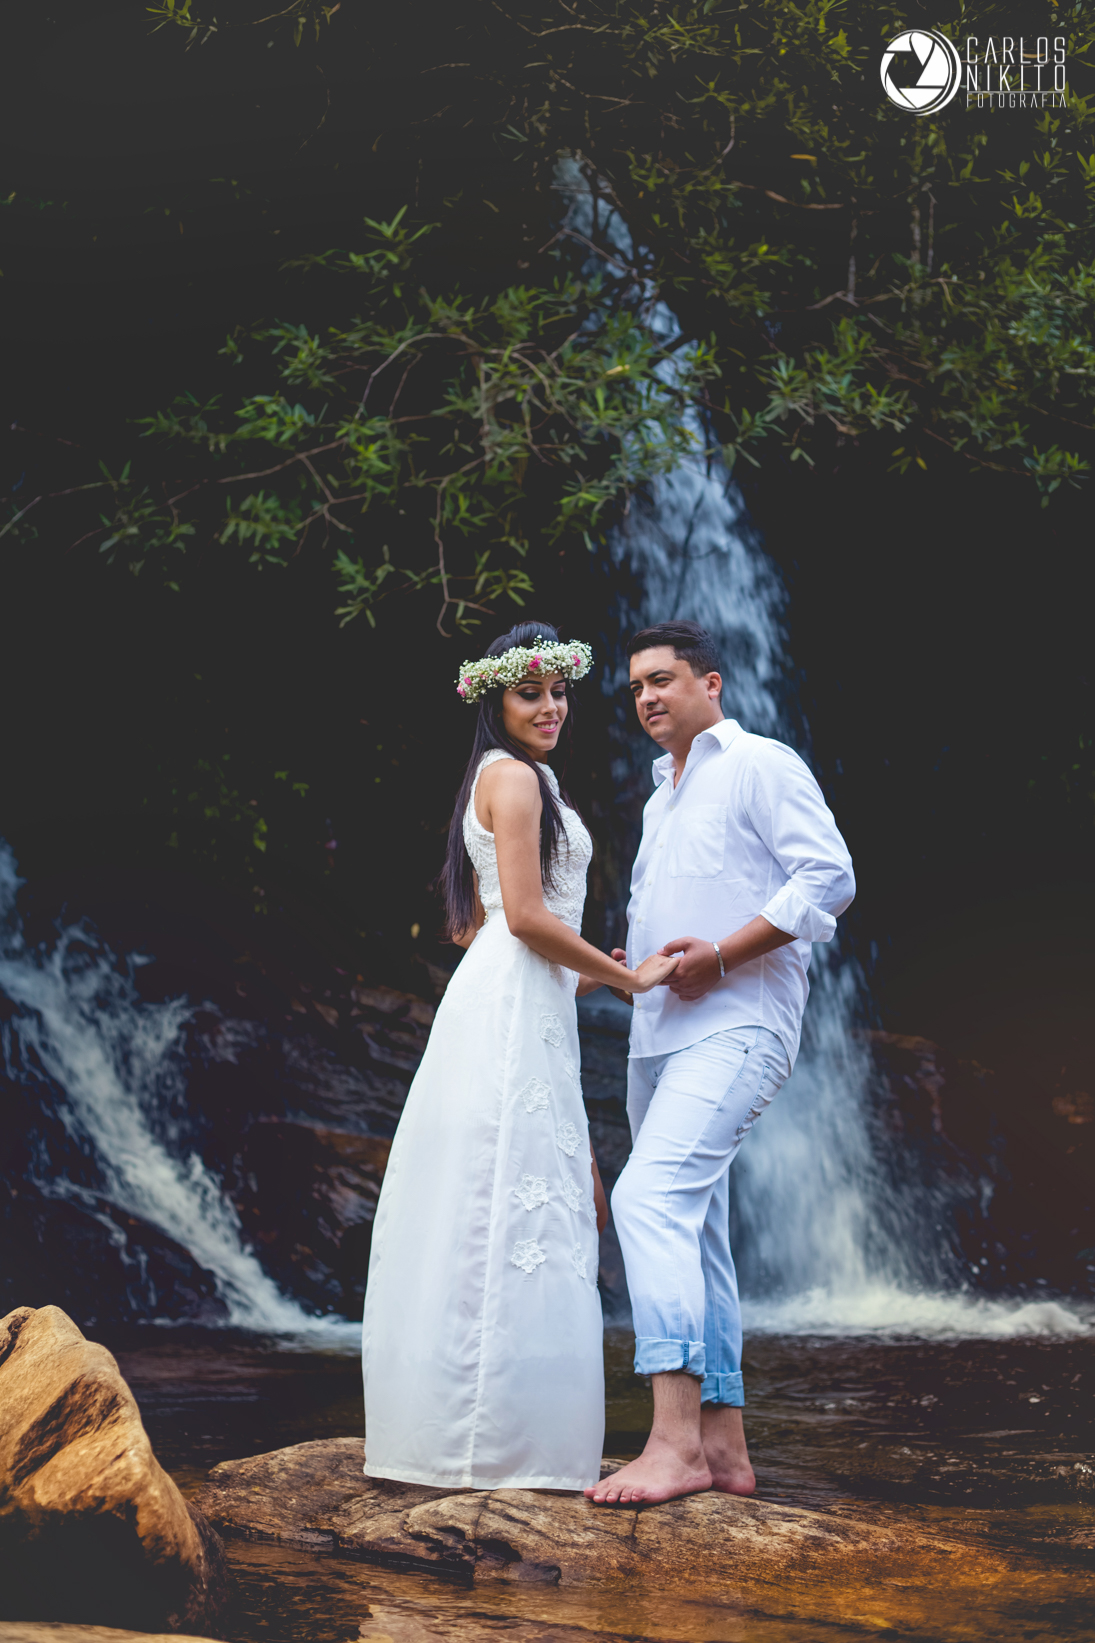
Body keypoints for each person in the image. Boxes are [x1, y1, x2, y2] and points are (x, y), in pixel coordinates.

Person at [362, 620, 679, 1491]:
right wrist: (627, 977)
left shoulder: (523, 777)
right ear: (495, 702)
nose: (549, 708)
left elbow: (524, 939)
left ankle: (500, 1435)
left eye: (558, 692)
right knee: (501, 1203)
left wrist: (597, 977)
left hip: (527, 999)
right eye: (529, 693)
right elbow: (530, 918)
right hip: (510, 1003)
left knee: (524, 1201)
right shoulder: (510, 777)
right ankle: (481, 1442)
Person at [586, 620, 855, 1507]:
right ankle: (723, 1447)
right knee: (694, 1231)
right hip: (656, 1036)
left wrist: (723, 956)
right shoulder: (659, 799)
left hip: (738, 1024)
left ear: (712, 684)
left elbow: (827, 877)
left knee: (647, 1197)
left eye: (662, 679)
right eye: (634, 688)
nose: (647, 698)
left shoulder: (760, 763)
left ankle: (670, 1444)